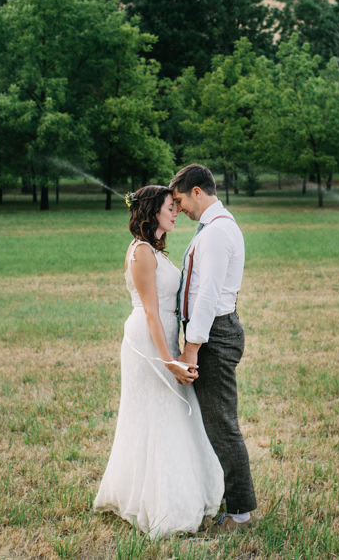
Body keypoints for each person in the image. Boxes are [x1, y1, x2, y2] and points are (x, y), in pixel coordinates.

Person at [93, 184, 224, 537]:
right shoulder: (141, 254)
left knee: (173, 413)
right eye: (170, 206)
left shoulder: (156, 251)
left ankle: (187, 489)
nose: (176, 211)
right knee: (156, 414)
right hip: (148, 343)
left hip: (164, 339)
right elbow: (151, 312)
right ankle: (160, 502)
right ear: (151, 211)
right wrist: (169, 361)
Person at [169, 164, 258, 533]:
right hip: (214, 333)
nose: (179, 209)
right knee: (217, 423)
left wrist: (190, 351)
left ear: (197, 193)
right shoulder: (214, 228)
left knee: (223, 425)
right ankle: (228, 498)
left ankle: (240, 514)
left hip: (214, 337)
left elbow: (206, 298)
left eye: (180, 200)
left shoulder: (217, 233)